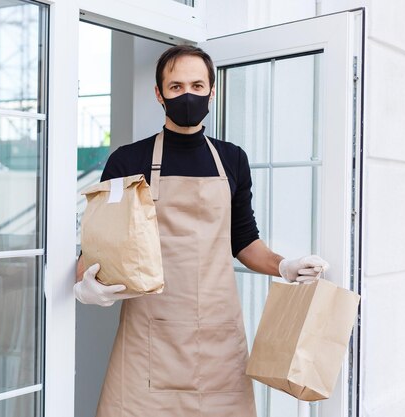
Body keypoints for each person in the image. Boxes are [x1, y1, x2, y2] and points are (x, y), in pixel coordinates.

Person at [75, 45, 328, 417]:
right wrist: (85, 285)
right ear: (159, 94)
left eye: (197, 85)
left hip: (217, 337)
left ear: (213, 91)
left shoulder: (232, 159)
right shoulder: (128, 161)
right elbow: (97, 250)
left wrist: (285, 265)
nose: (187, 95)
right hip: (150, 336)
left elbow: (243, 240)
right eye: (176, 87)